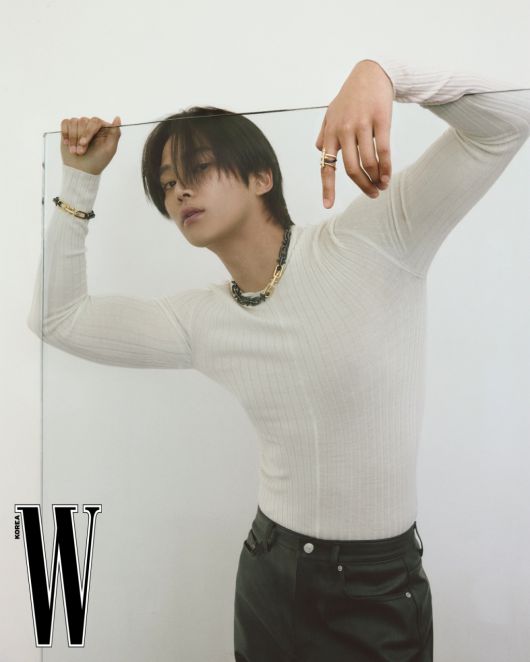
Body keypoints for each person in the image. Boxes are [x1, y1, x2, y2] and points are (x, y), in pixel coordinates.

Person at [27, 56, 530, 661]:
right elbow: (57, 319)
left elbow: (509, 120)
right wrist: (79, 179)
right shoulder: (202, 318)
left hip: (376, 589)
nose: (179, 189)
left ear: (262, 176)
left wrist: (385, 74)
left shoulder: (373, 240)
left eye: (198, 167)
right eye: (166, 182)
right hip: (268, 573)